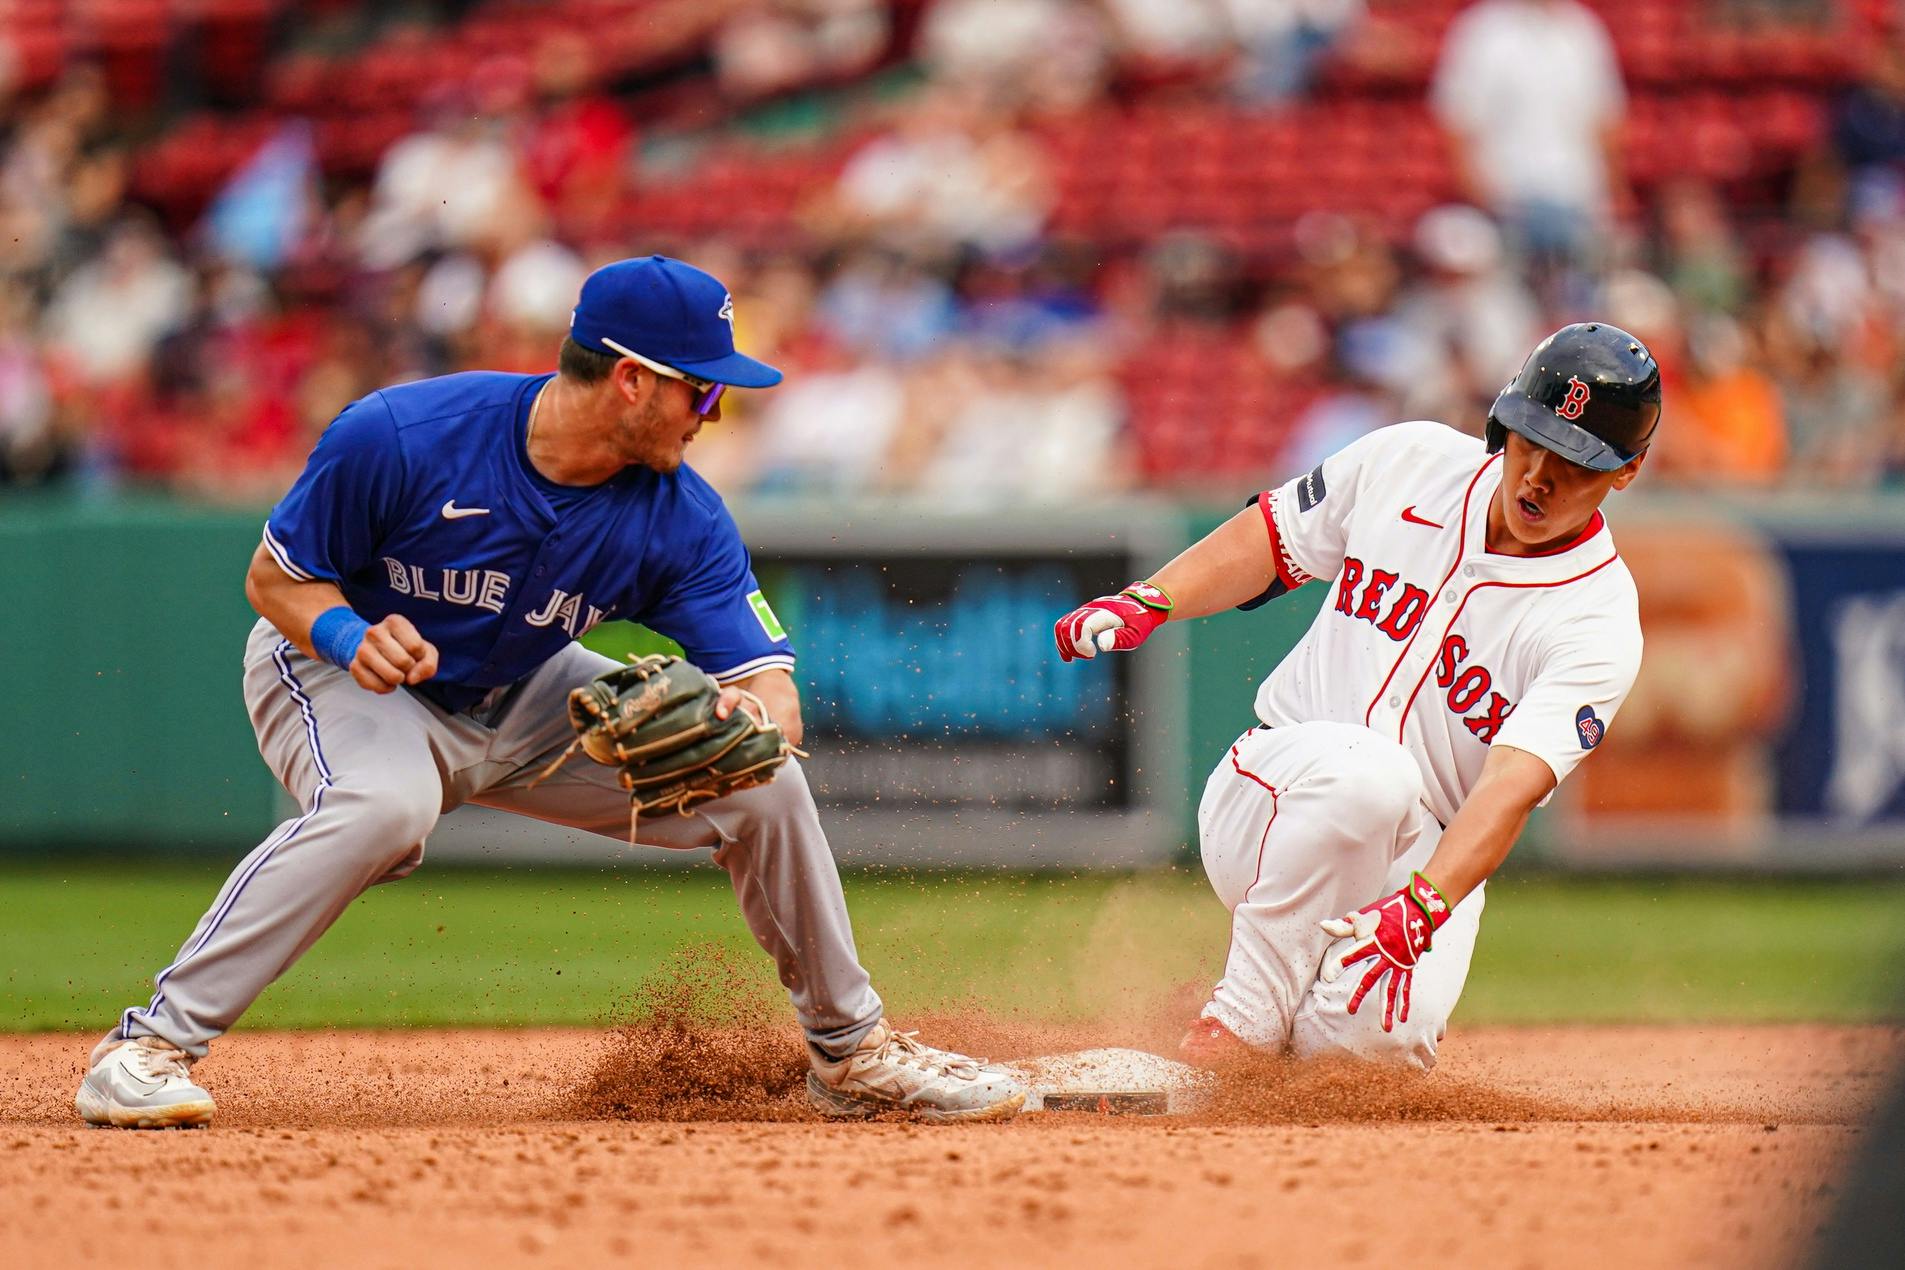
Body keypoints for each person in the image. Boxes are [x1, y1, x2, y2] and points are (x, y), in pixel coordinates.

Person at [77, 255, 1026, 1128]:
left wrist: (760, 720)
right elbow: (275, 579)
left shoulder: (680, 514)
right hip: (343, 676)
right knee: (384, 807)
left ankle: (851, 1056)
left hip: (523, 695)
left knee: (763, 787)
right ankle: (148, 1048)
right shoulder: (404, 436)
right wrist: (345, 632)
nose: (713, 415)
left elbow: (763, 677)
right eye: (701, 389)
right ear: (630, 379)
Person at [1054, 323, 1656, 1069]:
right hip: (1276, 795)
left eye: (1573, 461)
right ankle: (1237, 1022)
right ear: (1503, 421)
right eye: (1531, 440)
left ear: (1624, 472)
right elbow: (1270, 540)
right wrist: (1151, 598)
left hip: (1424, 856)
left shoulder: (1597, 619)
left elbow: (1508, 787)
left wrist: (1426, 904)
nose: (1537, 474)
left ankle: (1272, 1066)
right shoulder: (1409, 461)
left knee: (1369, 1058)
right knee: (1369, 775)